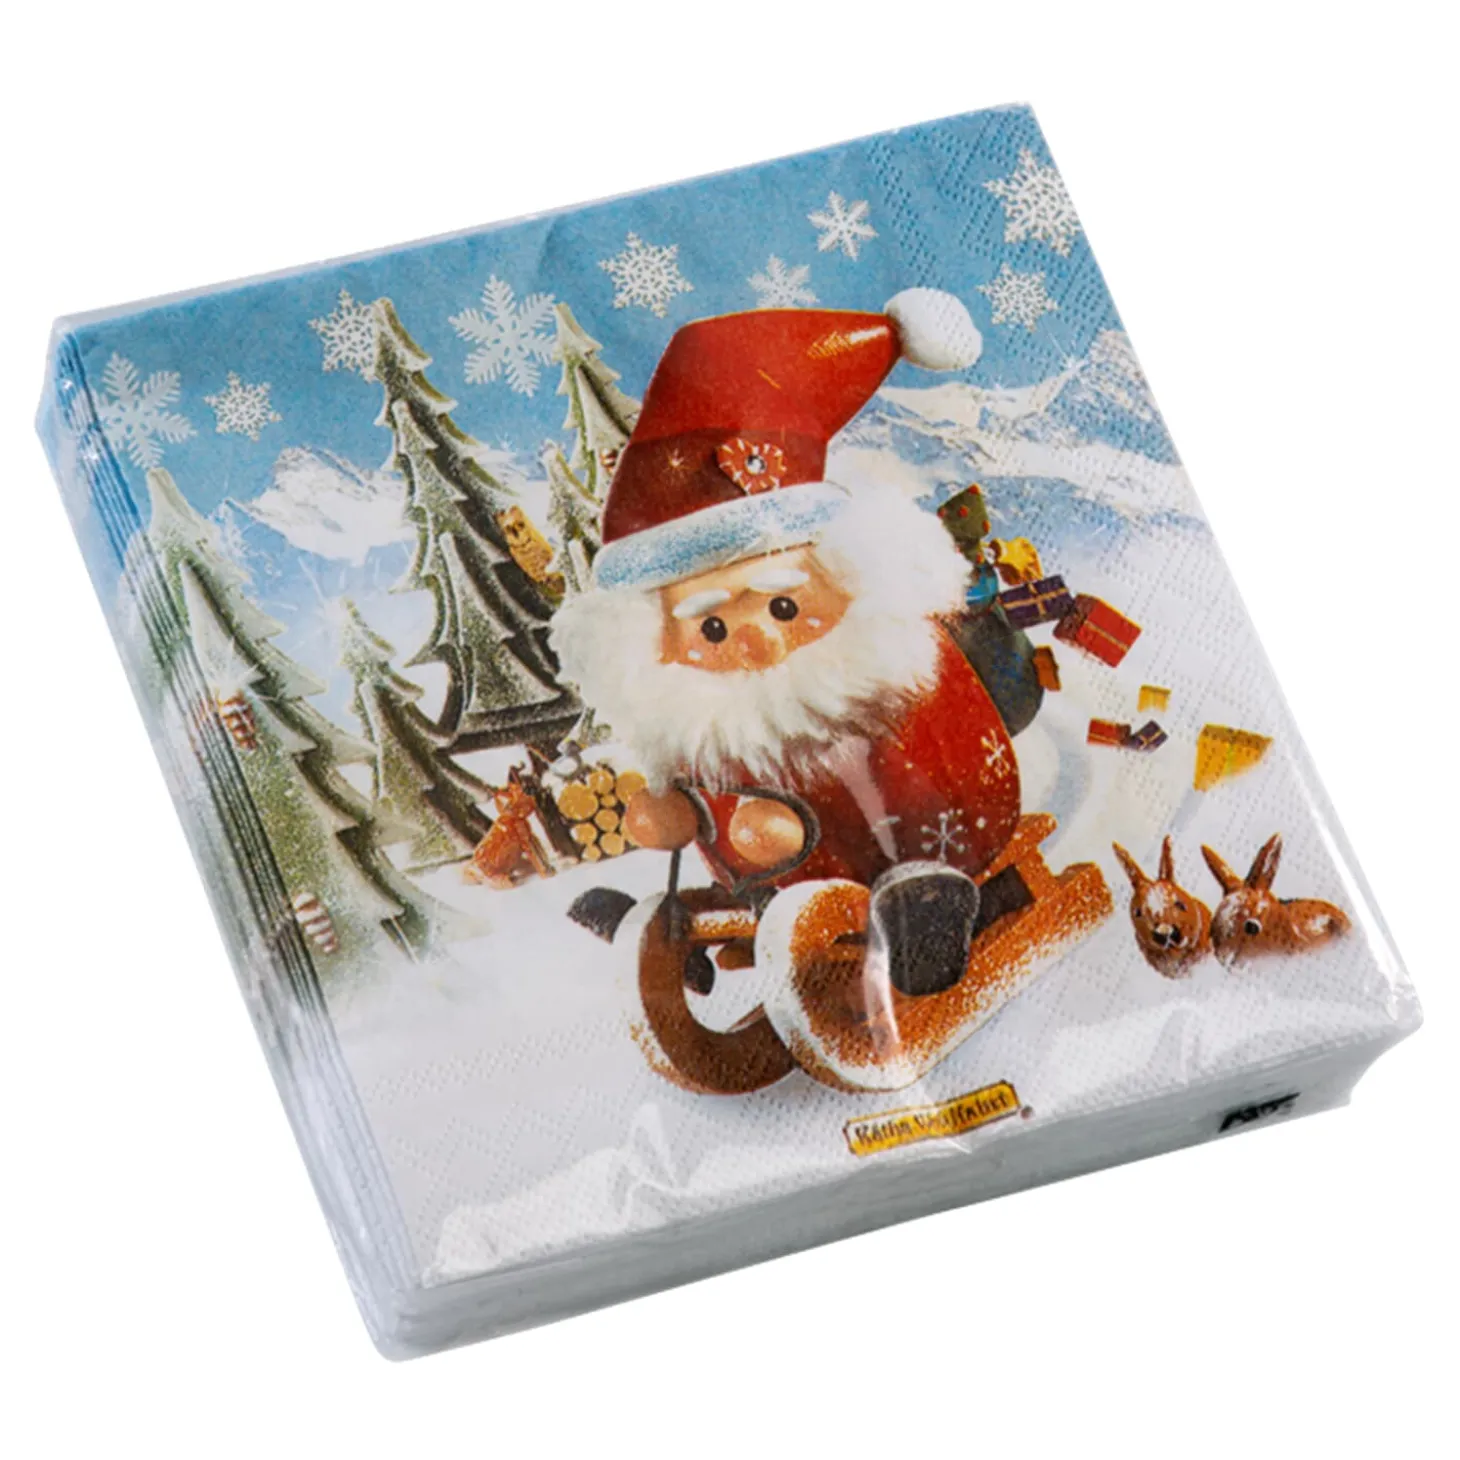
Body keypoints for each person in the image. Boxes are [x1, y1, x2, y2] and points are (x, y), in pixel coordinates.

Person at [551, 291, 1041, 996]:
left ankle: (923, 908)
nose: (755, 642)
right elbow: (695, 804)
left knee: (896, 854)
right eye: (712, 627)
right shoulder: (703, 726)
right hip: (773, 885)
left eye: (784, 605)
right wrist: (671, 815)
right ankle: (666, 929)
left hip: (930, 841)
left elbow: (970, 718)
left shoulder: (886, 665)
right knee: (745, 867)